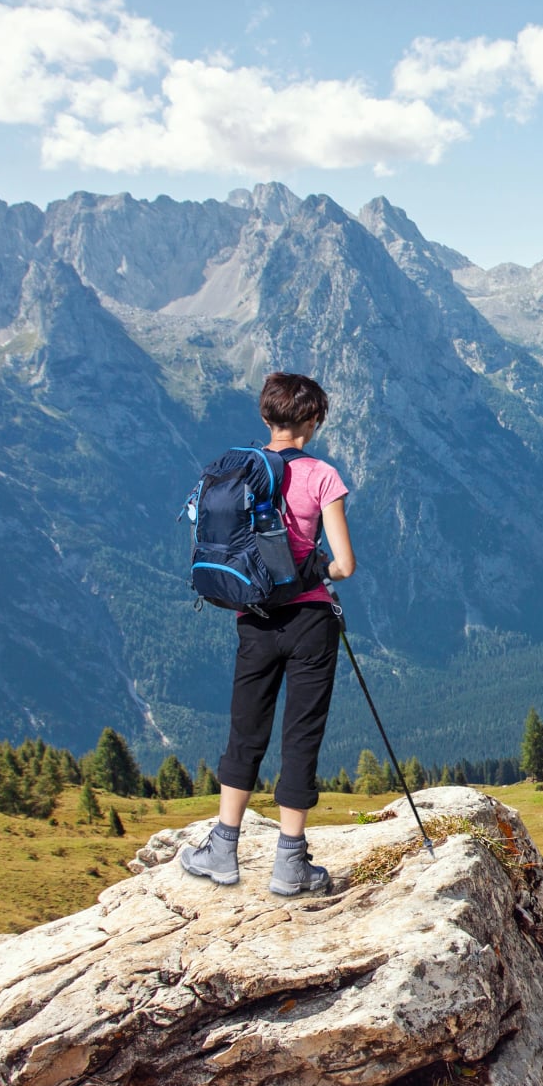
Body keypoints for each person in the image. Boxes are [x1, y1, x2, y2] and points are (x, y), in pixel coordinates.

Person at [179, 372, 355, 896]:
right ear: (314, 421)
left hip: (254, 619)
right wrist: (316, 568)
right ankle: (290, 865)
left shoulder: (240, 471)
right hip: (310, 625)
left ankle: (222, 849)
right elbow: (344, 564)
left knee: (245, 730)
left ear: (265, 419)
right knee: (301, 736)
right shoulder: (323, 476)